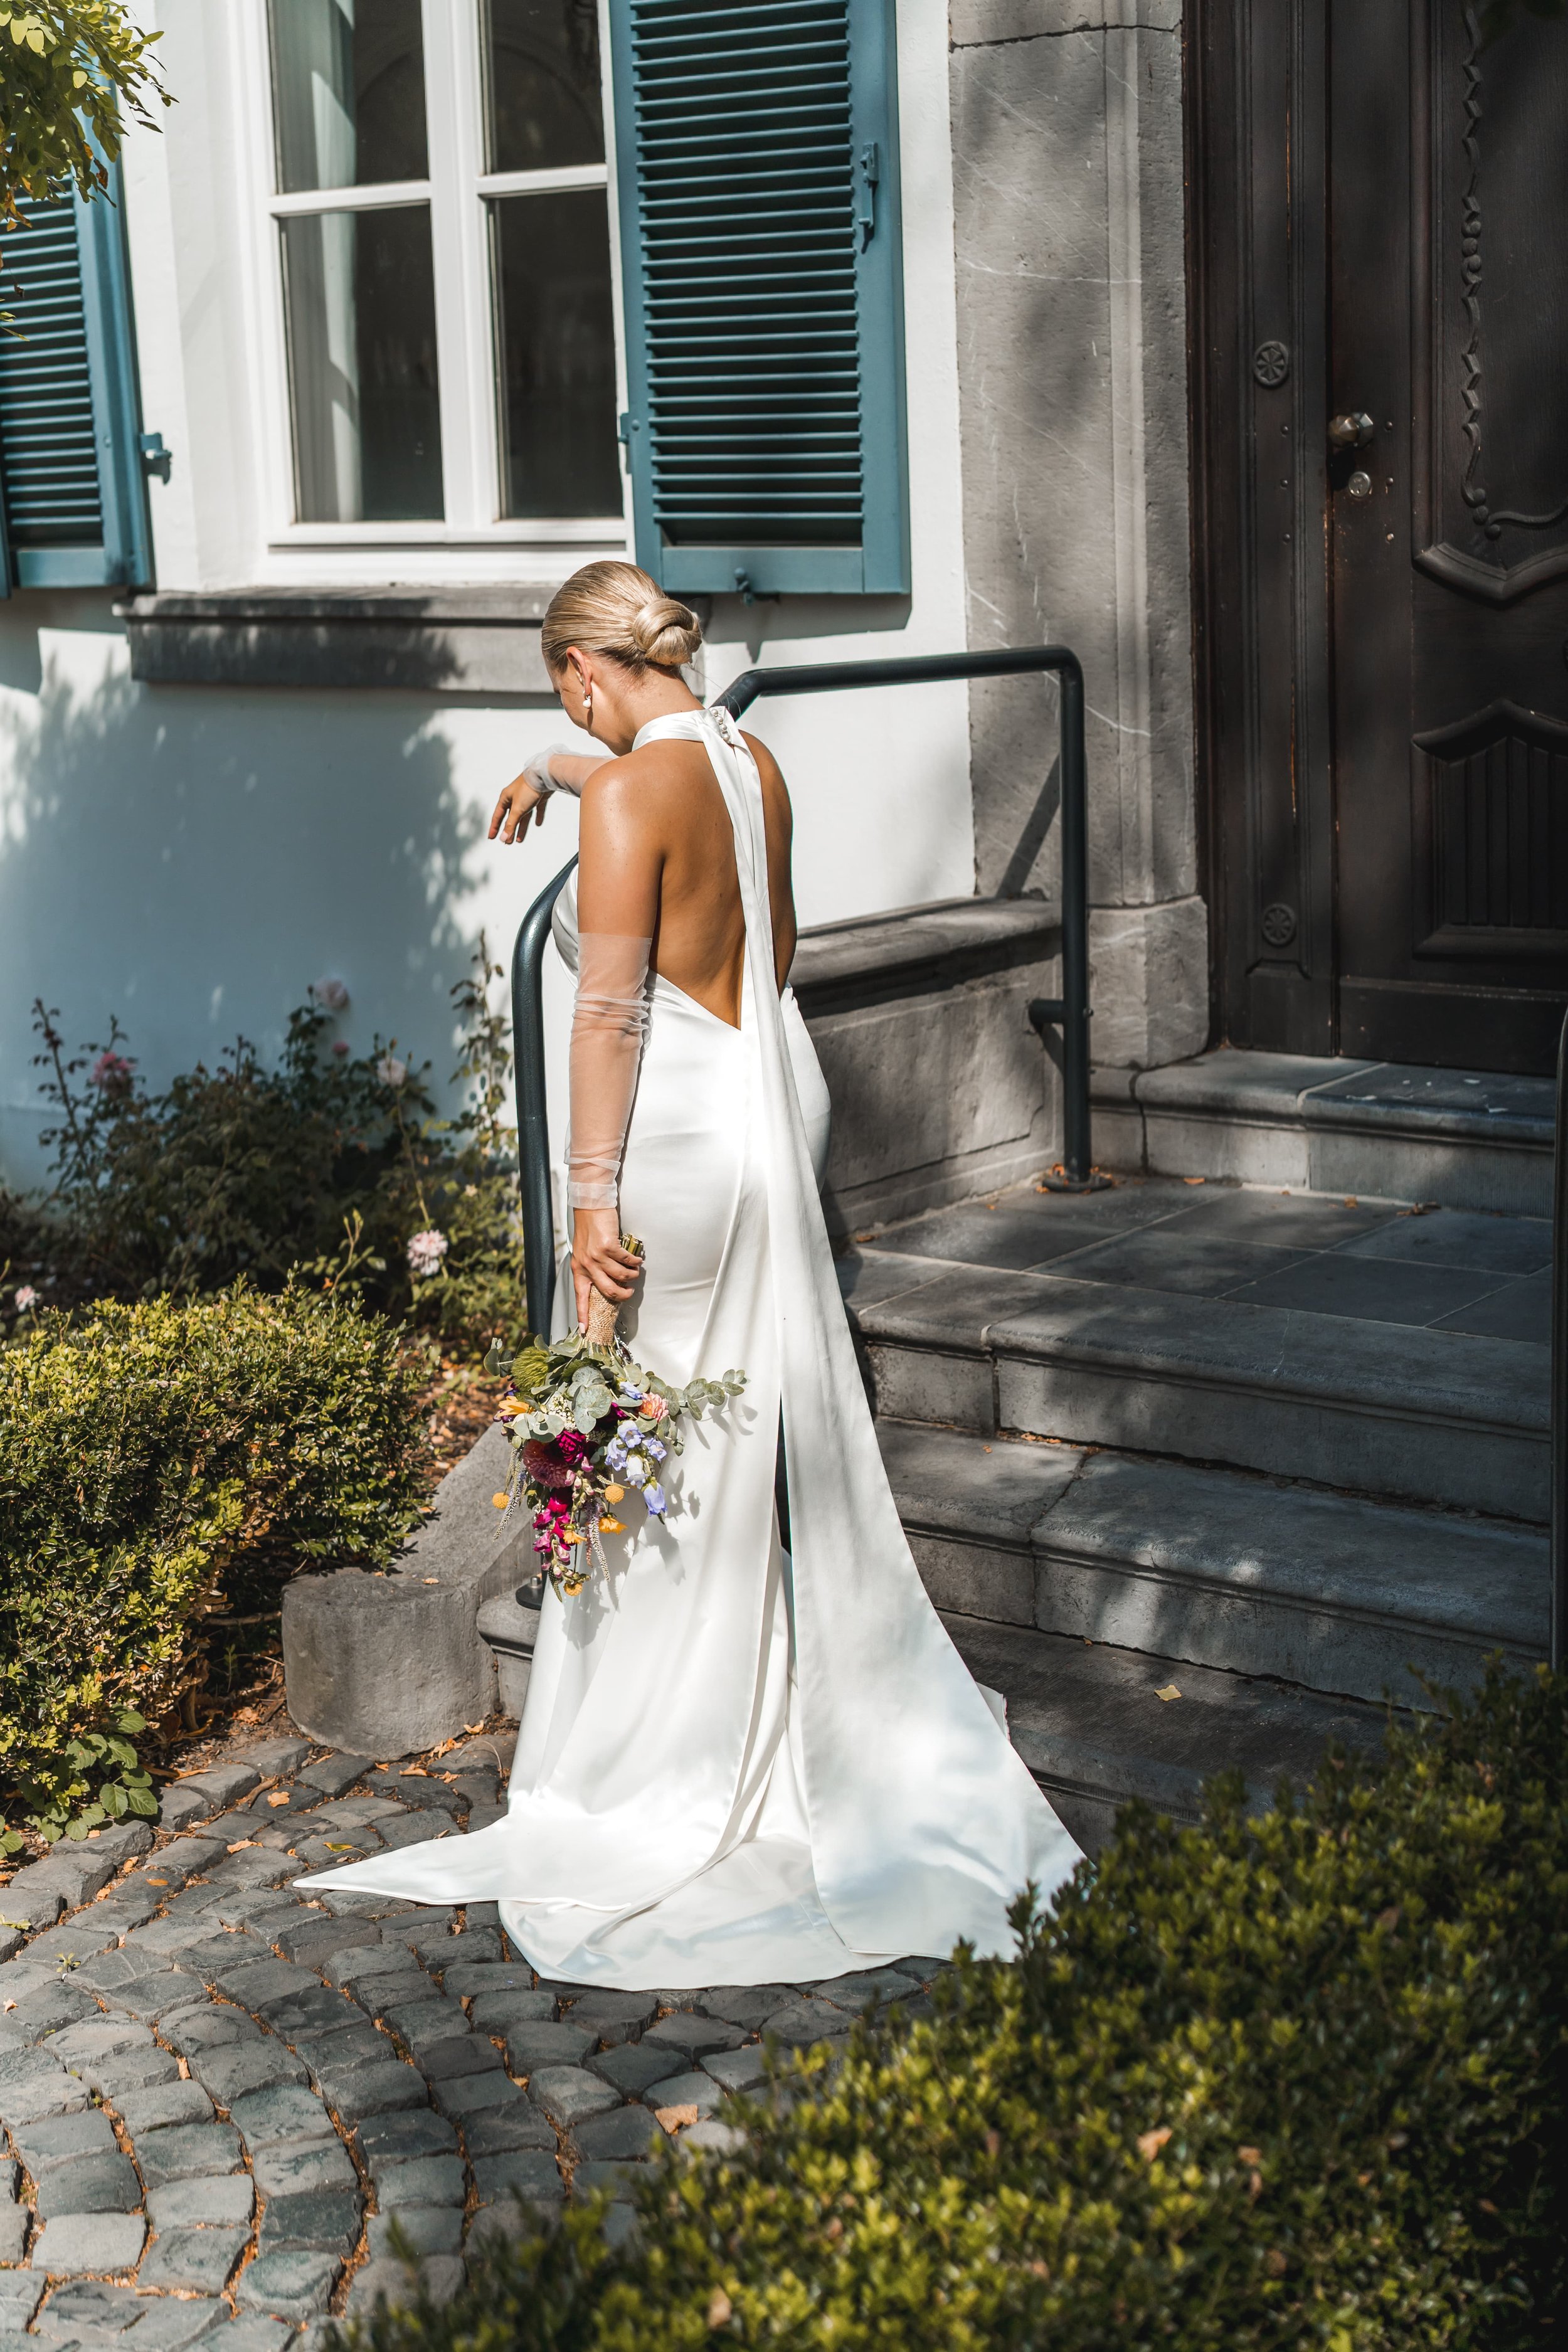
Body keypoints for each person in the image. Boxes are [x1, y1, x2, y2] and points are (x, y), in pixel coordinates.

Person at [300, 561, 1081, 1988]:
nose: (572, 731)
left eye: (564, 705)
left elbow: (603, 1019)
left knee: (627, 1448)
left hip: (665, 1141)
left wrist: (585, 1207)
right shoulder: (751, 760)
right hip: (767, 1099)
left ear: (585, 672)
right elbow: (766, 952)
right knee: (723, 1445)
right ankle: (759, 1713)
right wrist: (554, 767)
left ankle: (650, 1761)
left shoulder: (625, 802)